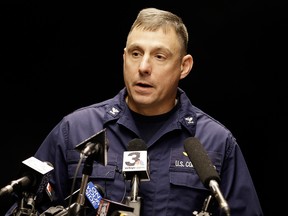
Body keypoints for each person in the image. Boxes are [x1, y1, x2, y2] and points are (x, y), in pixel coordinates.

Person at [5, 7, 263, 216]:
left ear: (184, 67)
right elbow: (25, 206)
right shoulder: (75, 131)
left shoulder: (216, 142)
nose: (144, 67)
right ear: (124, 58)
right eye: (136, 53)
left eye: (160, 56)